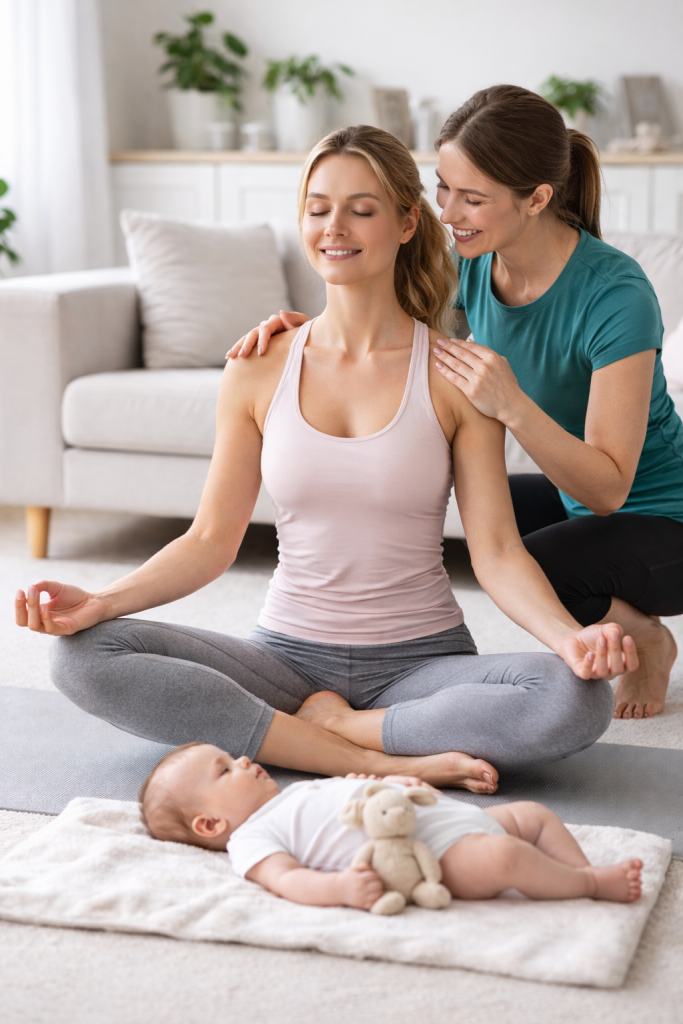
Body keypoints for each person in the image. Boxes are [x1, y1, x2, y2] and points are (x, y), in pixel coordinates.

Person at [16, 125, 636, 794]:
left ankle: (331, 733)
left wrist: (567, 639)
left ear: (405, 223)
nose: (333, 227)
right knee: (83, 655)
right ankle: (372, 758)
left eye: (361, 209)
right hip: (284, 660)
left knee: (574, 697)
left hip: (419, 665)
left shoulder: (457, 376)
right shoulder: (258, 366)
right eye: (317, 208)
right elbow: (208, 541)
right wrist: (99, 600)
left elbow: (495, 553)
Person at [232, 88, 683, 722]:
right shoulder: (472, 261)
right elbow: (394, 340)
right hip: (572, 497)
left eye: (472, 199)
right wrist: (308, 335)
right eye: (444, 189)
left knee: (538, 568)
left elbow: (610, 489)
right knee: (475, 518)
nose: (449, 212)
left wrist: (514, 406)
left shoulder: (615, 294)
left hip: (664, 516)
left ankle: (647, 635)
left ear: (537, 199)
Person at [139, 742, 644, 906]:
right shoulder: (250, 839)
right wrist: (340, 888)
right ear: (210, 823)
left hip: (451, 818)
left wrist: (378, 785)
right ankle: (587, 884)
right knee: (505, 857)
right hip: (439, 860)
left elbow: (356, 805)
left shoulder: (294, 795)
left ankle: (575, 867)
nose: (245, 759)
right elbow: (286, 880)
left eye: (233, 755)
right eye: (225, 770)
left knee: (533, 816)